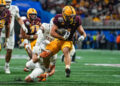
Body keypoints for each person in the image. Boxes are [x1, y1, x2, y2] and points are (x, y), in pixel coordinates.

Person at [30, 5, 86, 77]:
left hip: (68, 41)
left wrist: (82, 37)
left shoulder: (76, 19)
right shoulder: (58, 18)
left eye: (73, 16)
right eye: (70, 16)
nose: (72, 18)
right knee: (46, 54)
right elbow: (52, 33)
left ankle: (67, 68)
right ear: (64, 15)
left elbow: (82, 33)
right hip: (57, 40)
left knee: (66, 50)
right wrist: (62, 37)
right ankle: (46, 71)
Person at [4, 0, 28, 74]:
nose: (7, 3)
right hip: (1, 32)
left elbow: (18, 18)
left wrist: (23, 26)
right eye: (6, 2)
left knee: (10, 50)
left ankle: (7, 66)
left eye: (8, 2)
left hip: (10, 33)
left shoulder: (14, 8)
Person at [0, 0, 11, 72]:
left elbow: (7, 27)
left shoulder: (7, 13)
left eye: (3, 6)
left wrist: (7, 39)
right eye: (0, 6)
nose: (1, 8)